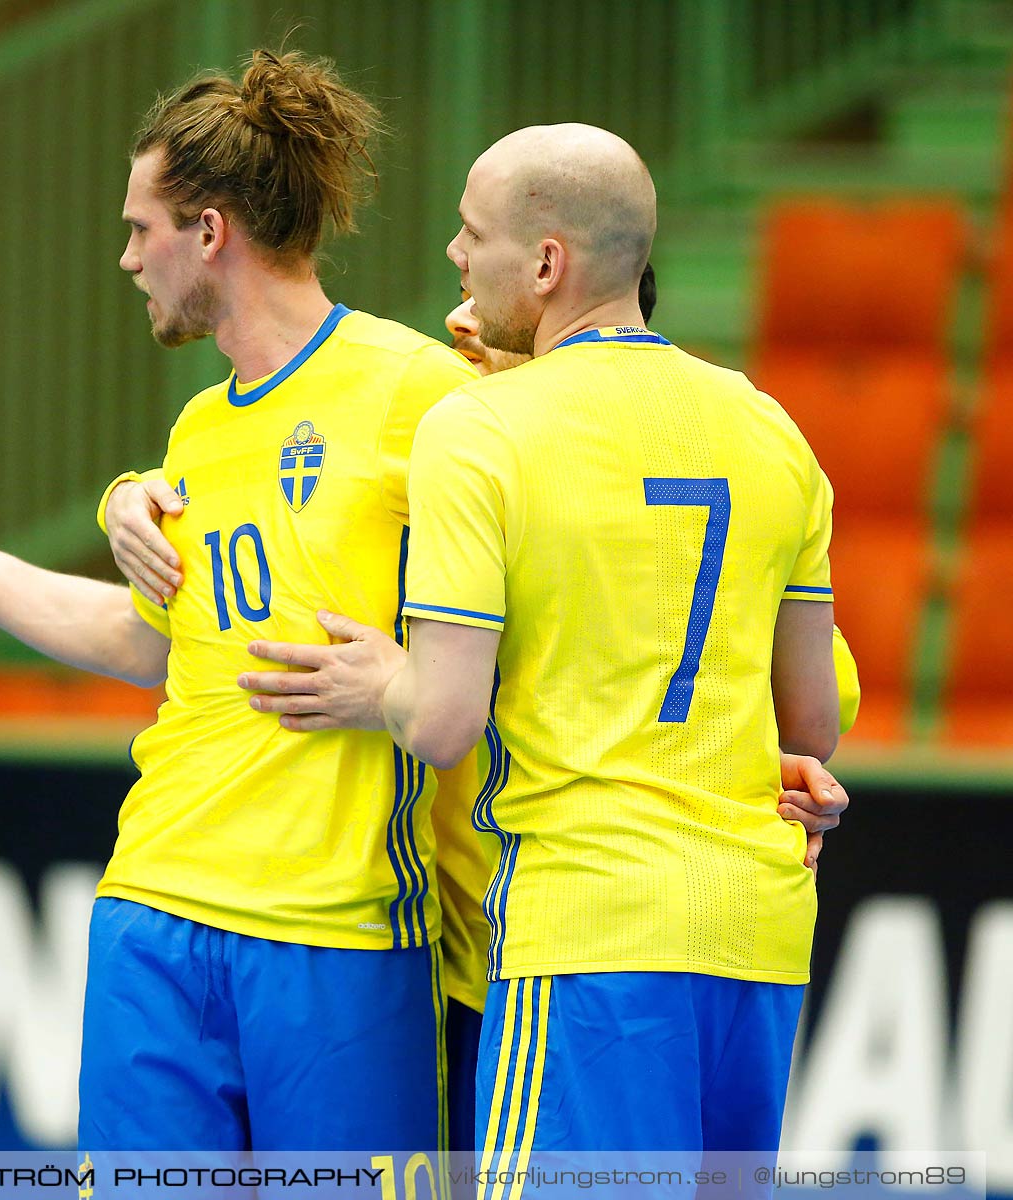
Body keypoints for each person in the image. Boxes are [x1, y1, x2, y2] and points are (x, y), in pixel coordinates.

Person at [0, 49, 479, 1154]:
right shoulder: (199, 430)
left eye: (141, 229)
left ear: (209, 232)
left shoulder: (420, 392)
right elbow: (148, 644)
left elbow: (533, 615)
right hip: (155, 912)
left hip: (344, 933)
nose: (127, 258)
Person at [103, 266, 858, 1154]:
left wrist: (397, 684)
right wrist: (132, 493)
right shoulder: (447, 490)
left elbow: (770, 711)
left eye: (477, 311)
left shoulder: (511, 479)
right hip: (477, 956)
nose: (457, 326)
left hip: (538, 952)